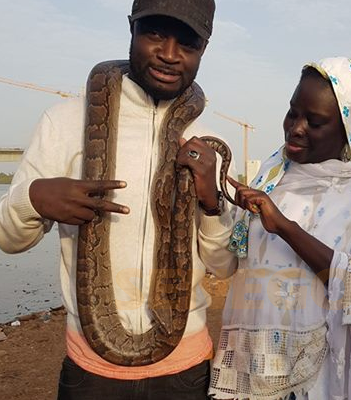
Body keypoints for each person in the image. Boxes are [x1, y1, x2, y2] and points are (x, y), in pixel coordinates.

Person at [0, 0, 236, 399]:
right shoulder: (64, 122)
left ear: (204, 49)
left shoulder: (206, 143)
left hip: (184, 369)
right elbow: (9, 240)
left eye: (188, 43)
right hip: (91, 372)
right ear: (132, 29)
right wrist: (33, 199)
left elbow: (224, 264)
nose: (169, 54)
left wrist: (212, 203)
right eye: (155, 33)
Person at [208, 57, 351, 400]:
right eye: (293, 112)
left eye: (315, 121)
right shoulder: (272, 178)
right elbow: (230, 262)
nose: (296, 127)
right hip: (255, 374)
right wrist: (210, 202)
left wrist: (287, 229)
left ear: (347, 131)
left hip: (319, 381)